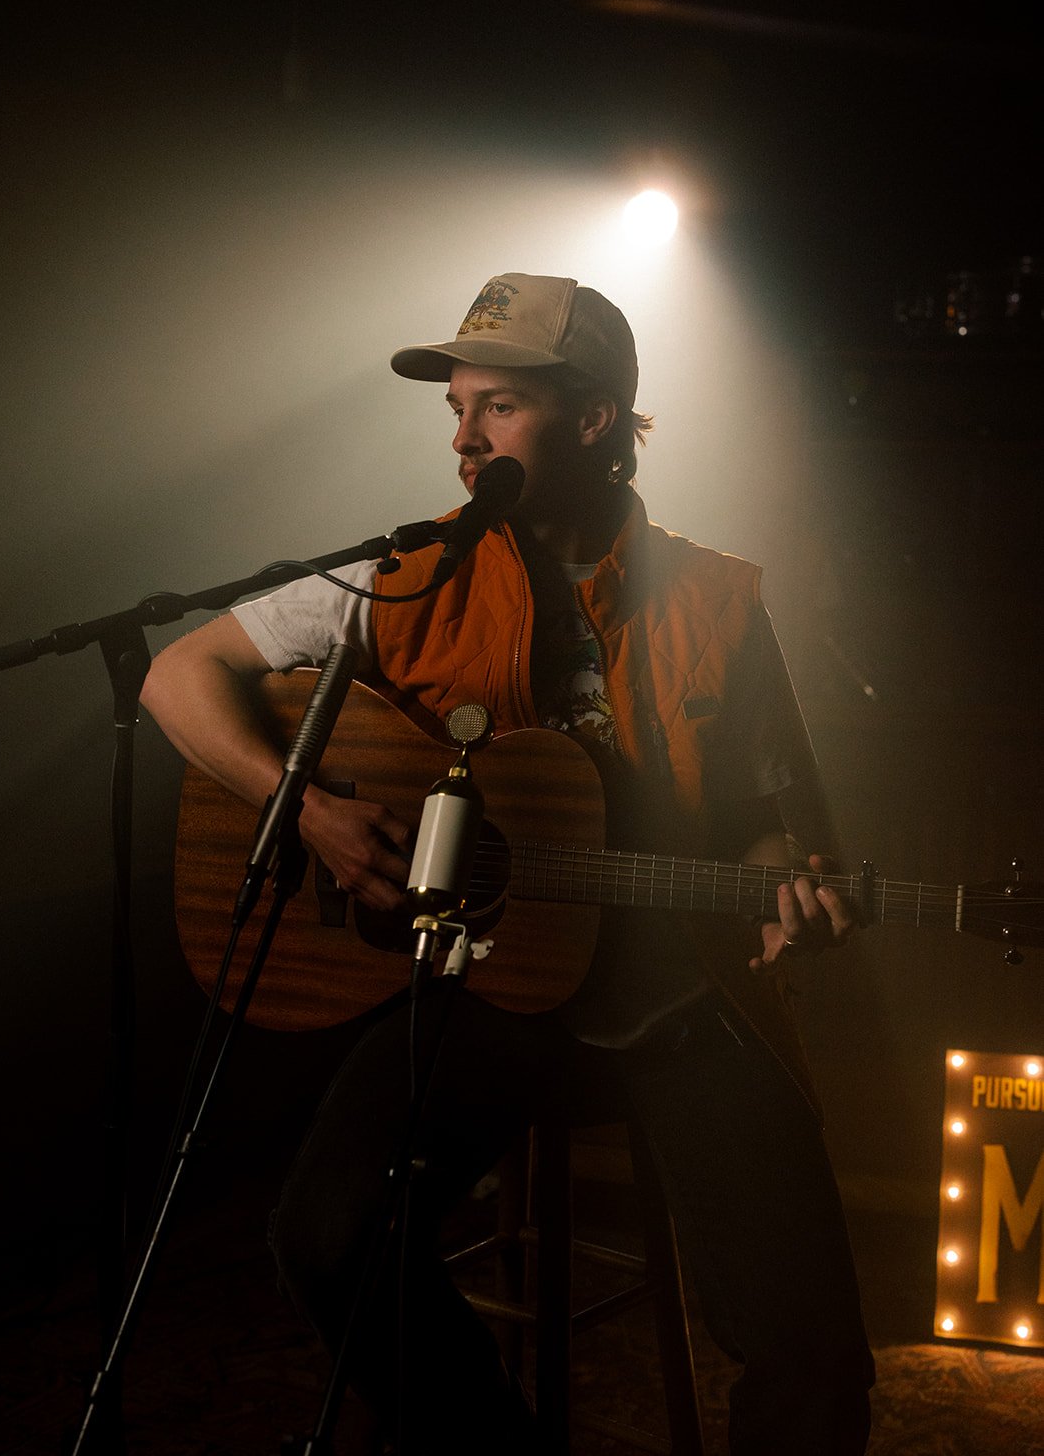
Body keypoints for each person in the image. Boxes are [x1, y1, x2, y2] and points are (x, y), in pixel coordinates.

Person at [141, 272, 875, 1454]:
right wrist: (308, 809)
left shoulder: (719, 601)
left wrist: (790, 892)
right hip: (480, 991)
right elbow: (177, 675)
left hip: (678, 994)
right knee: (328, 1240)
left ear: (589, 420)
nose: (461, 435)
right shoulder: (410, 570)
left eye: (496, 406)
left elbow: (764, 822)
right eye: (458, 407)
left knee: (814, 1351)